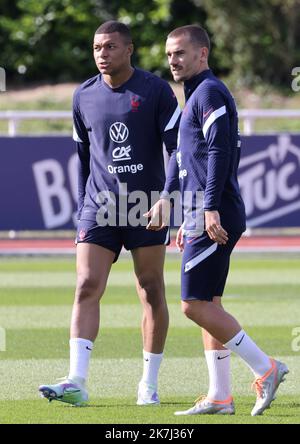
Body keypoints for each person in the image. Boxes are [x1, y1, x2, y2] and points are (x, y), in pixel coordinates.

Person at [146, 25, 288, 416]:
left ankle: (267, 367)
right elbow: (181, 155)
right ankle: (220, 397)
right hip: (199, 212)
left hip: (216, 212)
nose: (173, 60)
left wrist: (207, 208)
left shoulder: (208, 91)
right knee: (210, 303)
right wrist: (171, 203)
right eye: (169, 54)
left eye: (180, 53)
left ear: (202, 54)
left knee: (193, 305)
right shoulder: (192, 96)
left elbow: (219, 152)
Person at [39, 20, 180, 406]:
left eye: (110, 47)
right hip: (98, 207)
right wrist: (84, 201)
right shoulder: (83, 95)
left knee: (150, 289)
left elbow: (177, 152)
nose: (102, 53)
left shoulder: (155, 91)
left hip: (145, 206)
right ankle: (76, 381)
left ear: (129, 49)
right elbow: (84, 156)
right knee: (86, 284)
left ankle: (148, 383)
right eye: (97, 47)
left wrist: (169, 197)